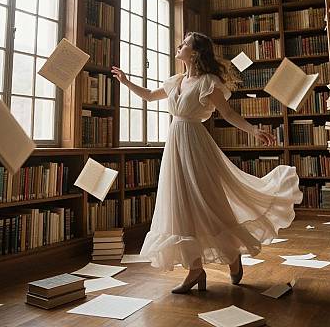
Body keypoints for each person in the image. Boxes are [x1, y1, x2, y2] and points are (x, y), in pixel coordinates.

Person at [111, 32, 302, 294]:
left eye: (184, 44)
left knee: (207, 201)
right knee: (181, 206)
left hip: (195, 145)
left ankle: (232, 257)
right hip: (175, 145)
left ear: (196, 53)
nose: (179, 47)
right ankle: (195, 270)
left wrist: (253, 130)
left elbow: (228, 113)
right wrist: (125, 81)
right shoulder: (175, 81)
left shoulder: (208, 82)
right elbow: (147, 96)